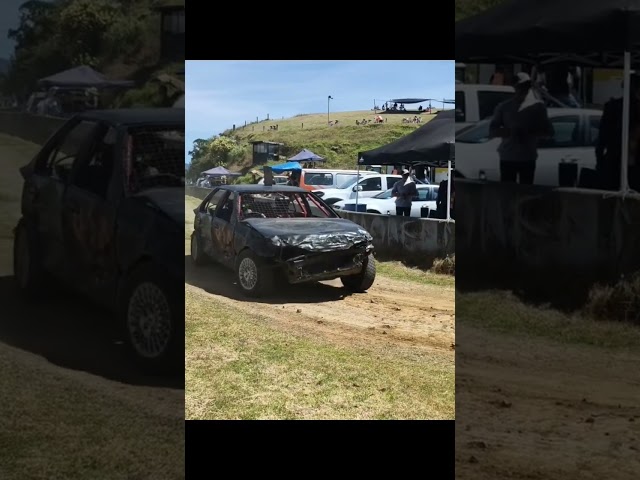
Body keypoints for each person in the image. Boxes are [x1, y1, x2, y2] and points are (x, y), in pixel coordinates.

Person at [489, 72, 554, 185]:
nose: (521, 90)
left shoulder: (538, 107)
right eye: (519, 86)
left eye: (525, 87)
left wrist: (530, 132)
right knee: (507, 192)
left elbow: (549, 132)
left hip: (527, 157)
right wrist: (509, 132)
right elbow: (492, 130)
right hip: (508, 156)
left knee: (525, 192)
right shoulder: (504, 107)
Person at [596, 74, 640, 191]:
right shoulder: (614, 107)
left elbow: (601, 139)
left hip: (618, 163)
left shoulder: (613, 106)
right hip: (616, 163)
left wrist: (600, 162)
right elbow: (602, 139)